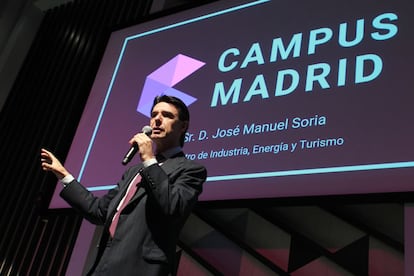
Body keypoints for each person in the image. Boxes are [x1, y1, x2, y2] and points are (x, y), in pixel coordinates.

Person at [41, 95, 207, 276]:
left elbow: (172, 207)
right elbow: (100, 211)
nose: (157, 120)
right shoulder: (134, 171)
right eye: (154, 115)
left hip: (139, 269)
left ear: (183, 126)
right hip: (103, 266)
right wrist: (64, 176)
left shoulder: (191, 170)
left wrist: (149, 160)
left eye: (167, 115)